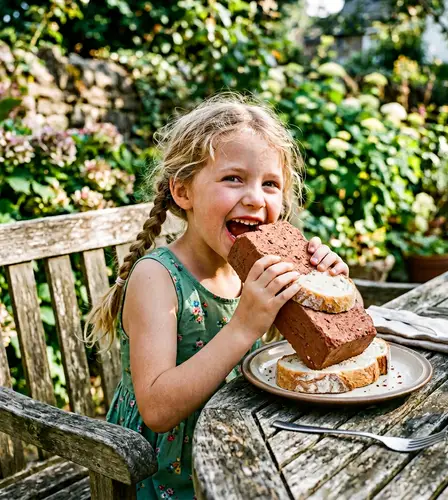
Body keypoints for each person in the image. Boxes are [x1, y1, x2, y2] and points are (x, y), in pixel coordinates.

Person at [84, 93, 349, 499]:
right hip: (159, 474)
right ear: (183, 192)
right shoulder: (157, 277)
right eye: (233, 178)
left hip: (244, 448)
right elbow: (155, 409)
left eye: (271, 184)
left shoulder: (255, 272)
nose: (256, 198)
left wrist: (332, 292)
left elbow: (317, 353)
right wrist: (245, 325)